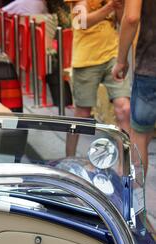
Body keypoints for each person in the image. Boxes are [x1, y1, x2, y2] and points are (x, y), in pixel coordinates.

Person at [65, 0, 131, 157]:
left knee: (124, 109)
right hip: (87, 59)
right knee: (82, 113)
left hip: (113, 55)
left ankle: (125, 168)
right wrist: (110, 6)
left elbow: (123, 21)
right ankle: (68, 160)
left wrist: (121, 7)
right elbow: (81, 22)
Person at [112, 0, 155, 176]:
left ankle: (136, 201)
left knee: (140, 137)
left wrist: (121, 60)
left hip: (150, 66)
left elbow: (131, 17)